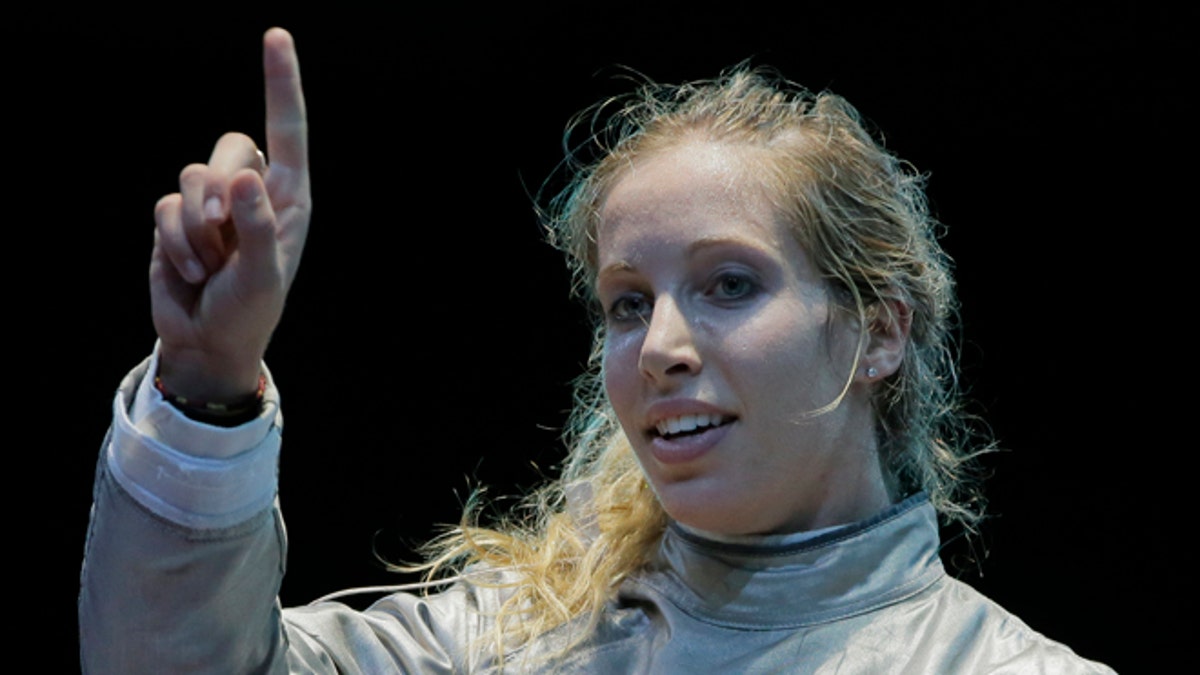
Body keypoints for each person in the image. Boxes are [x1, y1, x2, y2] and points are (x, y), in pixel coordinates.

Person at [78, 28, 1114, 673]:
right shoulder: (500, 650)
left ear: (879, 330)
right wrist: (205, 383)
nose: (661, 345)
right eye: (626, 303)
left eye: (730, 285)